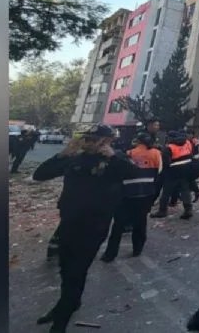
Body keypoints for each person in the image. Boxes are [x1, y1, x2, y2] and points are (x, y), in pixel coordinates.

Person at [32, 124, 138, 333]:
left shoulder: (116, 160)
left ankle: (60, 321)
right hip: (68, 222)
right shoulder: (75, 158)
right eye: (87, 139)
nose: (88, 143)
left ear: (107, 141)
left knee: (76, 271)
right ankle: (69, 303)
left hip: (94, 226)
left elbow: (132, 173)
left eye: (94, 139)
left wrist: (112, 156)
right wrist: (62, 155)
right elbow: (40, 174)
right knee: (66, 269)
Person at [100, 133, 163, 262]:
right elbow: (160, 172)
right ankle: (137, 249)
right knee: (140, 222)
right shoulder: (156, 153)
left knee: (118, 224)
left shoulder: (128, 153)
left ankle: (110, 254)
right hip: (146, 192)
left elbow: (119, 171)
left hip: (127, 193)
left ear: (138, 141)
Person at [151, 131, 194, 220]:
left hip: (173, 172)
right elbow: (190, 154)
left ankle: (162, 211)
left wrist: (162, 174)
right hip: (187, 169)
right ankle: (188, 209)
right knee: (185, 190)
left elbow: (166, 163)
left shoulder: (169, 148)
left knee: (166, 191)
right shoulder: (186, 143)